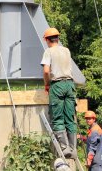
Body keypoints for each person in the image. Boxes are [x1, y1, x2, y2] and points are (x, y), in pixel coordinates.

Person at [41, 27, 77, 159]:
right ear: (58, 38)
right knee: (70, 117)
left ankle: (64, 148)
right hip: (70, 84)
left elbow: (46, 71)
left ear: (46, 40)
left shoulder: (49, 51)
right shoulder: (66, 50)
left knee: (57, 117)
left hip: (57, 85)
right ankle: (73, 149)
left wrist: (46, 84)